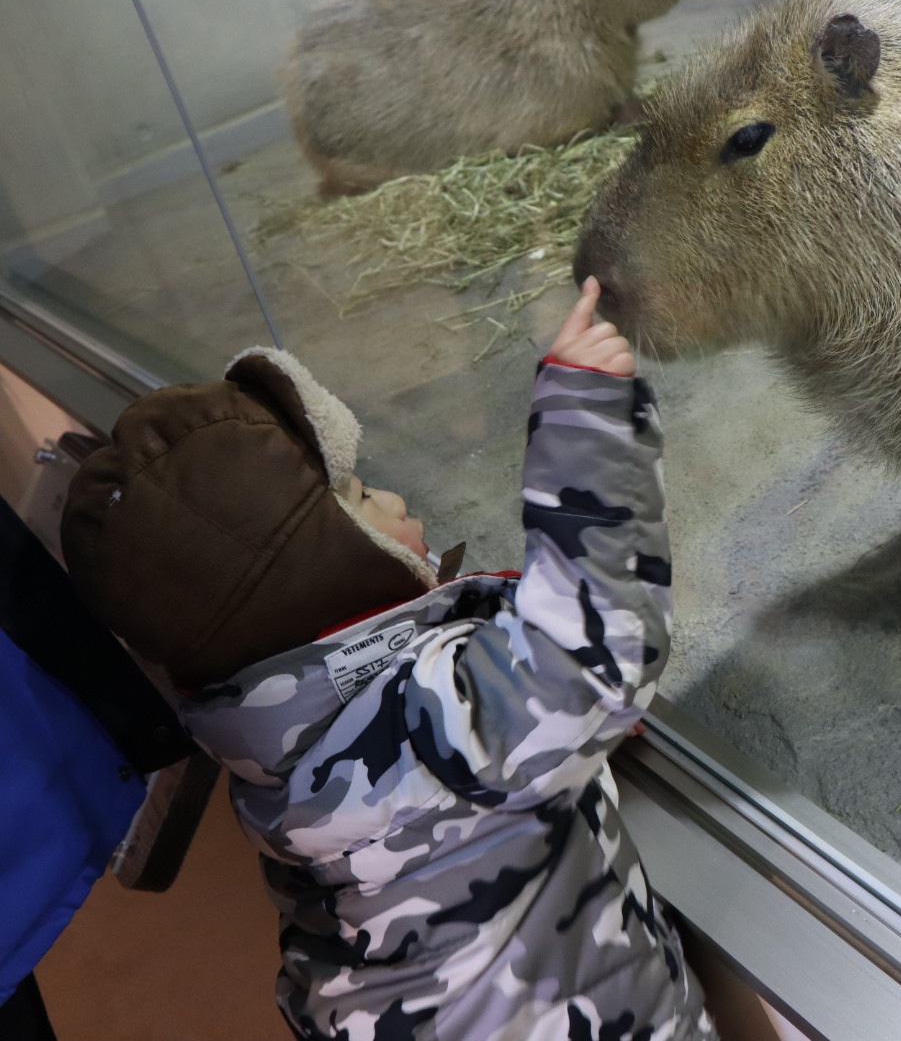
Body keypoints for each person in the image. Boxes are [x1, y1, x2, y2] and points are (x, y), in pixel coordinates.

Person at [59, 278, 715, 1040]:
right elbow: (597, 648)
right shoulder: (426, 725)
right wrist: (585, 418)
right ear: (324, 576)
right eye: (364, 497)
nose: (397, 499)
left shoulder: (276, 742)